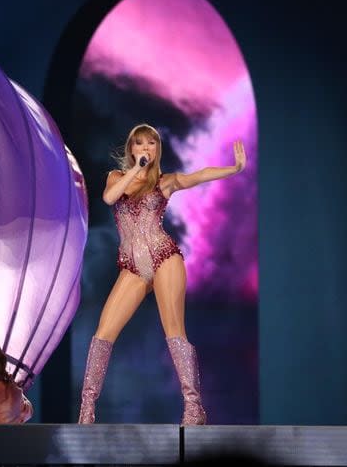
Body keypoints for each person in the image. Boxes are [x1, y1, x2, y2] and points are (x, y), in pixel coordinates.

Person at [77, 123, 247, 425]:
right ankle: (87, 407)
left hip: (164, 257)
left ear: (157, 150)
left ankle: (194, 407)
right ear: (132, 149)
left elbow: (198, 175)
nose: (146, 148)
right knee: (103, 333)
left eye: (151, 143)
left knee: (174, 331)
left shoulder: (165, 182)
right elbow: (109, 198)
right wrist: (135, 170)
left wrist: (232, 169)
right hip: (132, 266)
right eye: (140, 143)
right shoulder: (116, 177)